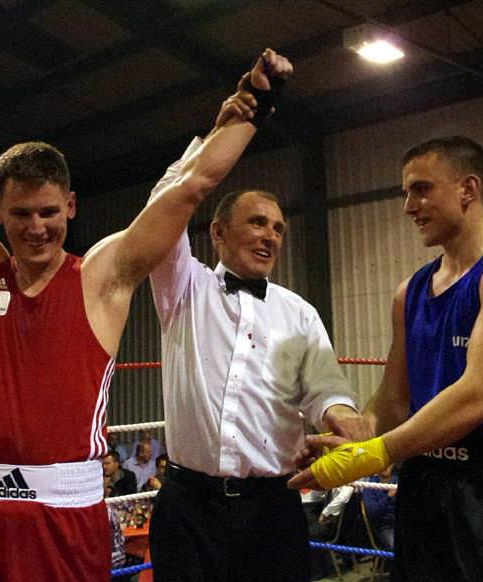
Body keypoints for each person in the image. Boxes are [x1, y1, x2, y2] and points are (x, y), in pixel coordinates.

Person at [0, 10, 271, 581]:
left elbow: (191, 190)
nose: (36, 228)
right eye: (21, 215)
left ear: (72, 207)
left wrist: (256, 107)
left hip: (67, 517)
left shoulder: (101, 276)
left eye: (49, 213)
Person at [289, 136, 483, 580]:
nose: (408, 206)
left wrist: (372, 453)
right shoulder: (411, 291)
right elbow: (394, 395)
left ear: (468, 189)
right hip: (424, 482)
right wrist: (358, 433)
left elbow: (478, 396)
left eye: (421, 189)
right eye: (406, 192)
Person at [146, 58, 367, 581]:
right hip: (188, 505)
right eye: (257, 223)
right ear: (218, 234)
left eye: (279, 228)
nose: (271, 235)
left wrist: (352, 428)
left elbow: (325, 394)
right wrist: (223, 129)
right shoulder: (184, 286)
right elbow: (169, 199)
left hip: (273, 505)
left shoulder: (299, 312)